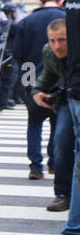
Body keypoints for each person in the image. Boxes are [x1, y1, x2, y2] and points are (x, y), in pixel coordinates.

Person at [14, 0, 65, 178]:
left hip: (32, 75)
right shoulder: (65, 19)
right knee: (57, 122)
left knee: (34, 121)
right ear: (60, 1)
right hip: (60, 76)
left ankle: (35, 165)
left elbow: (18, 54)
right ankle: (54, 162)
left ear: (40, 1)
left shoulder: (27, 21)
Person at [32, 18, 70, 212]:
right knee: (61, 143)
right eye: (53, 40)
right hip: (67, 99)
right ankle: (62, 194)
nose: (57, 45)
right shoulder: (48, 50)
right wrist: (37, 90)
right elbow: (48, 74)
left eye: (62, 40)